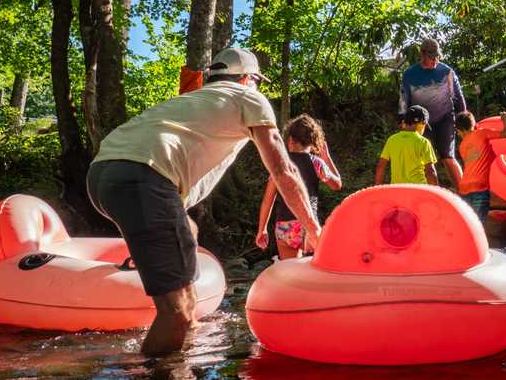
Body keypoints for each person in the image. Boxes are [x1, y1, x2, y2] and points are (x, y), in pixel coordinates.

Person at [86, 47, 319, 357]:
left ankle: (188, 331)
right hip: (144, 178)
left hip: (101, 174)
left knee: (188, 229)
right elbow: (283, 169)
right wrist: (313, 227)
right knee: (177, 314)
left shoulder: (191, 100)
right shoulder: (247, 96)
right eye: (257, 82)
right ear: (248, 79)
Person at [256, 114, 341, 260]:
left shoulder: (280, 166)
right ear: (313, 142)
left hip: (284, 227)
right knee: (313, 271)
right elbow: (337, 184)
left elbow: (267, 200)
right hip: (308, 227)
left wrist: (262, 229)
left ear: (290, 139)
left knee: (290, 272)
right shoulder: (316, 163)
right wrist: (326, 157)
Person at [399, 37, 466, 186]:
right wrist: (403, 120)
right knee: (425, 162)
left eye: (437, 57)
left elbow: (459, 97)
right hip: (421, 122)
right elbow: (403, 99)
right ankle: (434, 196)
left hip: (445, 118)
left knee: (448, 157)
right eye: (431, 57)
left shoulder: (447, 72)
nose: (434, 60)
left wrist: (464, 119)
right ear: (422, 55)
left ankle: (465, 192)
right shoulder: (409, 74)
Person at [455, 110, 506, 221]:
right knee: (478, 224)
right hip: (479, 187)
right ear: (474, 124)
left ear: (460, 130)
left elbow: (476, 160)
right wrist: (505, 119)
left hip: (464, 187)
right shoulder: (482, 133)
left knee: (468, 224)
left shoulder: (462, 146)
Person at [374, 105, 439, 186]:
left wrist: (377, 187)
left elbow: (381, 166)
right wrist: (436, 192)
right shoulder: (423, 142)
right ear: (421, 123)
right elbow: (430, 171)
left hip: (397, 190)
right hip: (418, 189)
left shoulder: (392, 140)